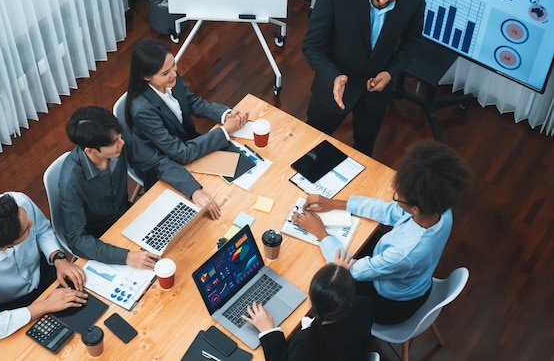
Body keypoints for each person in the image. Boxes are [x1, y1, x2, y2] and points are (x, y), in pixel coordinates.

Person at [291, 140, 470, 325]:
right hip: (411, 279)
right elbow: (388, 211)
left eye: (398, 195)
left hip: (388, 304)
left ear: (415, 209)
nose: (396, 196)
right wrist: (334, 204)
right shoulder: (441, 208)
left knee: (327, 287)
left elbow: (351, 271)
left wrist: (320, 233)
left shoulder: (404, 253)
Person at [59, 105, 221, 270]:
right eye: (114, 142)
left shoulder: (118, 140)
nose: (122, 142)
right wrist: (126, 256)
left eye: (120, 136)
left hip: (129, 216)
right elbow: (76, 239)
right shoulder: (70, 182)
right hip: (101, 240)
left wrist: (194, 190)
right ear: (91, 151)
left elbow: (157, 162)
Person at [303, 0, 425, 156]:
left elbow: (412, 42)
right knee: (311, 146)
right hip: (332, 90)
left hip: (375, 95)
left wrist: (390, 73)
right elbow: (312, 47)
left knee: (364, 150)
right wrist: (333, 77)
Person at [0, 192, 87, 343]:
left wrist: (58, 258)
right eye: (27, 229)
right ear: (4, 247)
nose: (31, 223)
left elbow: (43, 230)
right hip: (14, 307)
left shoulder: (19, 201)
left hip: (44, 272)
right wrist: (46, 305)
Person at [125, 38, 249, 164]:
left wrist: (225, 115)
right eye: (165, 73)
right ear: (146, 77)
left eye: (173, 64)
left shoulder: (171, 77)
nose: (174, 74)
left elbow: (192, 102)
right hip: (169, 163)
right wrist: (225, 130)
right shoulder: (142, 111)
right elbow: (181, 153)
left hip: (189, 146)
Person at [242, 256, 373, 361]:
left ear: (311, 296)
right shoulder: (365, 306)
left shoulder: (306, 343)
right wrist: (340, 277)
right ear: (348, 301)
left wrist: (268, 331)